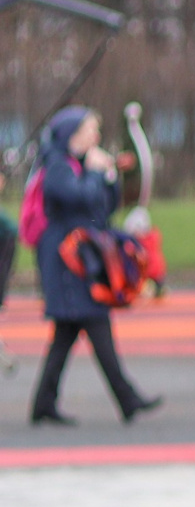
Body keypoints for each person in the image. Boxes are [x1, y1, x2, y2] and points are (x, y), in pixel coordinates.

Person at [27, 107, 160, 425]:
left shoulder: (78, 165)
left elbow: (105, 206)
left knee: (67, 332)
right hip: (68, 261)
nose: (96, 137)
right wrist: (97, 173)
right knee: (94, 320)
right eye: (90, 130)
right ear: (73, 134)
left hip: (80, 258)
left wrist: (107, 176)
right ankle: (127, 399)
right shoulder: (59, 166)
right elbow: (78, 200)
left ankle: (44, 403)